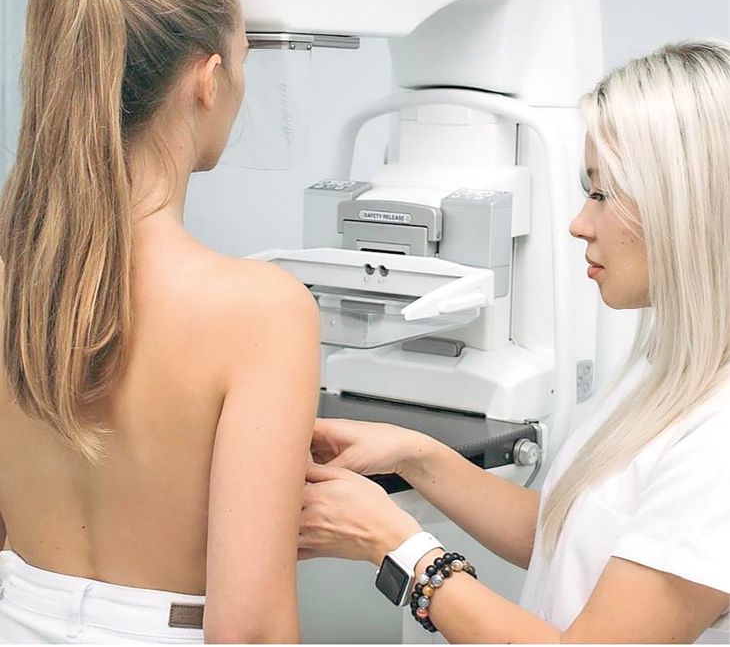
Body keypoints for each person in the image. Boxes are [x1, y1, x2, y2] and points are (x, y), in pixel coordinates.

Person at [299, 39, 730, 643]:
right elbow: (564, 538)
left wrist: (395, 546)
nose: (579, 223)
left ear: (690, 206)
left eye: (603, 193)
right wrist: (415, 454)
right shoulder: (669, 370)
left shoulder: (719, 438)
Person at [0, 0, 320, 643]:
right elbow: (249, 632)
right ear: (208, 80)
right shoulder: (262, 312)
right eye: (243, 60)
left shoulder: (12, 278)